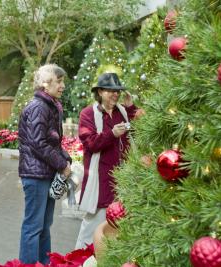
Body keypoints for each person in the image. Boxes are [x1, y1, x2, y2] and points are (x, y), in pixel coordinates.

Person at [75, 72, 142, 249]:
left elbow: (138, 131)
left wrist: (131, 108)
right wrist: (112, 134)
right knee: (91, 227)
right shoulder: (88, 114)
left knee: (120, 226)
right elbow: (90, 143)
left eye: (118, 91)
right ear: (100, 92)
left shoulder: (123, 112)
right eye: (111, 91)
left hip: (124, 180)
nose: (116, 94)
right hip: (101, 181)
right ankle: (80, 259)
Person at [18, 64, 72, 264]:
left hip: (45, 174)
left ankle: (44, 262)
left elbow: (51, 142)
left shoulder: (50, 105)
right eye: (59, 81)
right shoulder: (38, 107)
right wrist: (62, 164)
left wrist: (65, 157)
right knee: (33, 226)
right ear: (44, 83)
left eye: (62, 81)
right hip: (36, 176)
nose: (63, 86)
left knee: (44, 225)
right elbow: (38, 143)